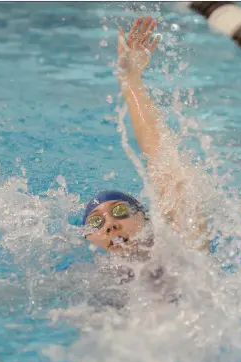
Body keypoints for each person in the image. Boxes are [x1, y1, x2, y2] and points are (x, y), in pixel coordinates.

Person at [82, 16, 207, 256]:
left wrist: (130, 80)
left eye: (120, 211)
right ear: (89, 239)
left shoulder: (182, 255)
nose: (110, 224)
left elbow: (165, 166)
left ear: (147, 220)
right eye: (95, 223)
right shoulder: (83, 281)